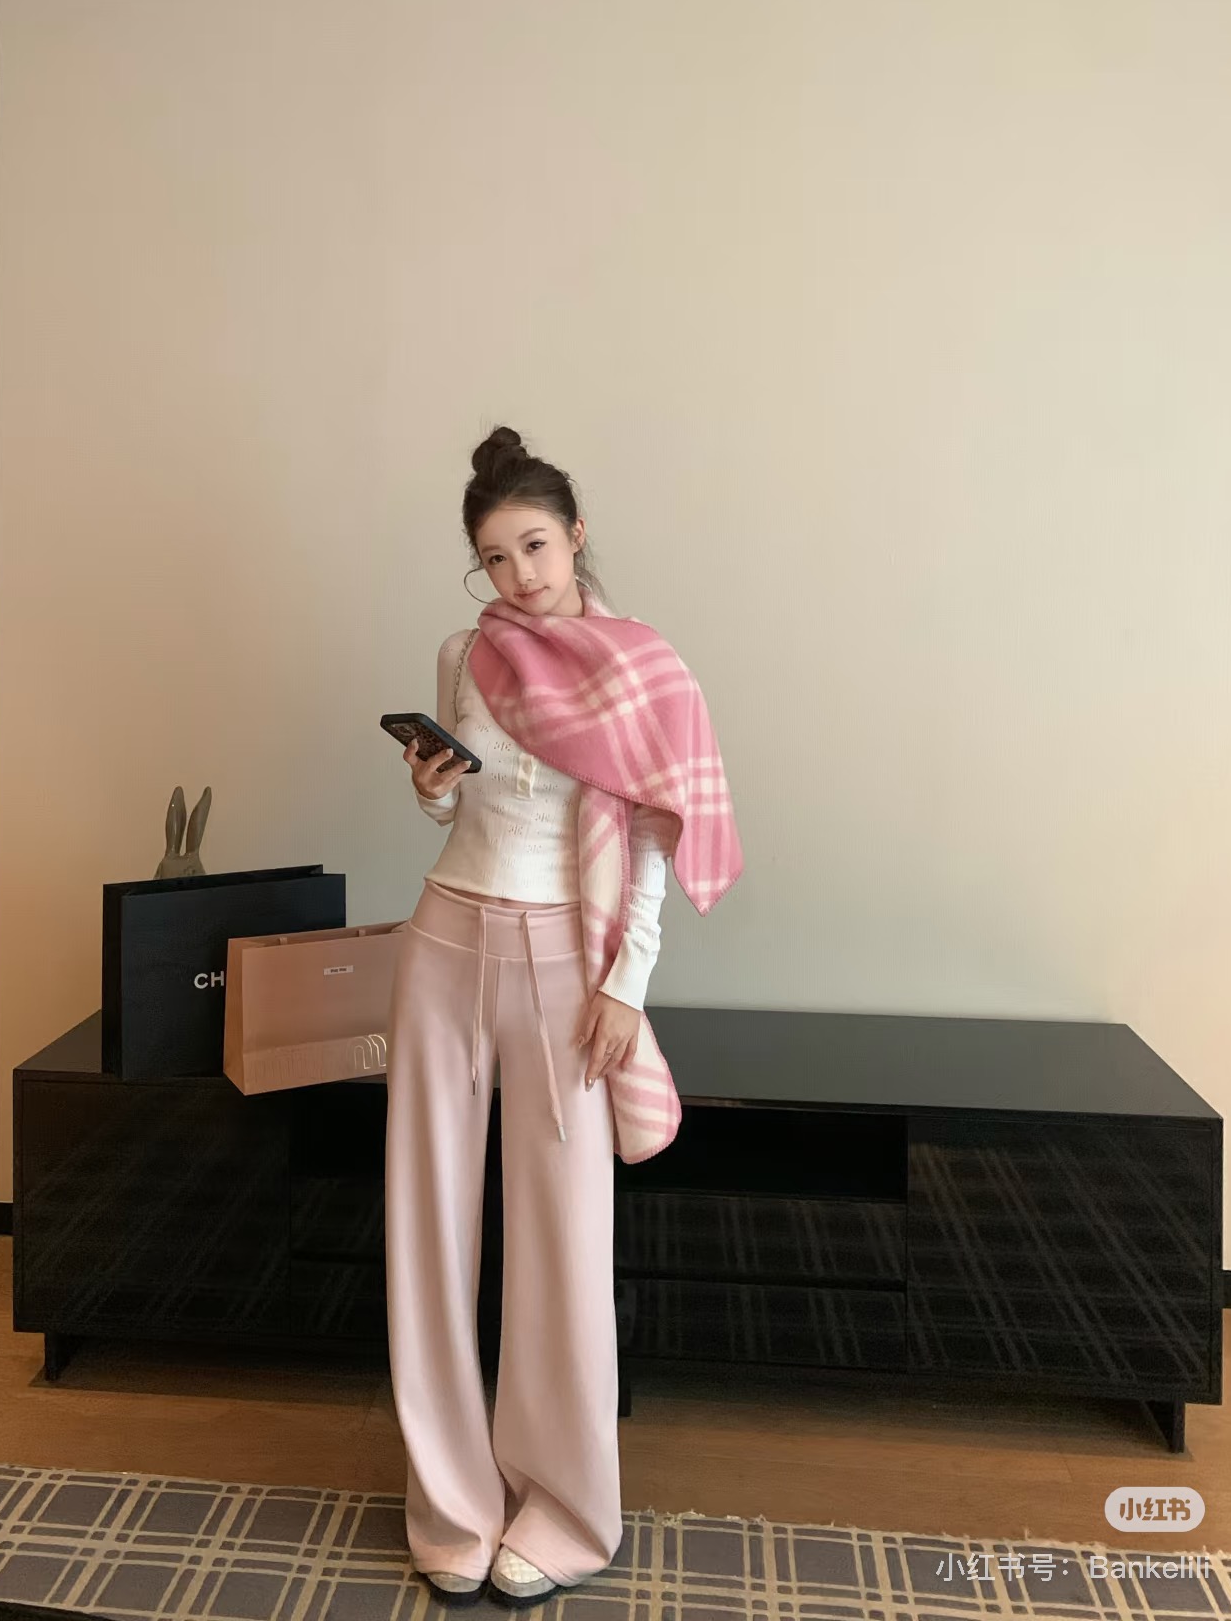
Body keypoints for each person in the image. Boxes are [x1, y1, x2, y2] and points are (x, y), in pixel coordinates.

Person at [384, 425, 741, 1609]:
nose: (519, 574)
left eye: (535, 545)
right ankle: (451, 1504)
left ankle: (570, 1512)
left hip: (561, 962)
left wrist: (626, 987)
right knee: (427, 1230)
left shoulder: (640, 668)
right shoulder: (465, 652)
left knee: (564, 1242)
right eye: (495, 557)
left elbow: (650, 841)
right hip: (443, 940)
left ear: (576, 535)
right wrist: (430, 790)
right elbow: (464, 814)